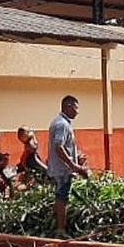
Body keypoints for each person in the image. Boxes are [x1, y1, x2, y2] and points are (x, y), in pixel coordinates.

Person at [46, 95, 89, 237]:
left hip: (63, 169)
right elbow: (59, 146)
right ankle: (60, 230)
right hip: (62, 171)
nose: (77, 111)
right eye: (76, 108)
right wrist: (73, 166)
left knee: (62, 197)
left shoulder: (62, 123)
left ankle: (58, 226)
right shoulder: (62, 124)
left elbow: (65, 146)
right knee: (62, 198)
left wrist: (77, 160)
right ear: (69, 107)